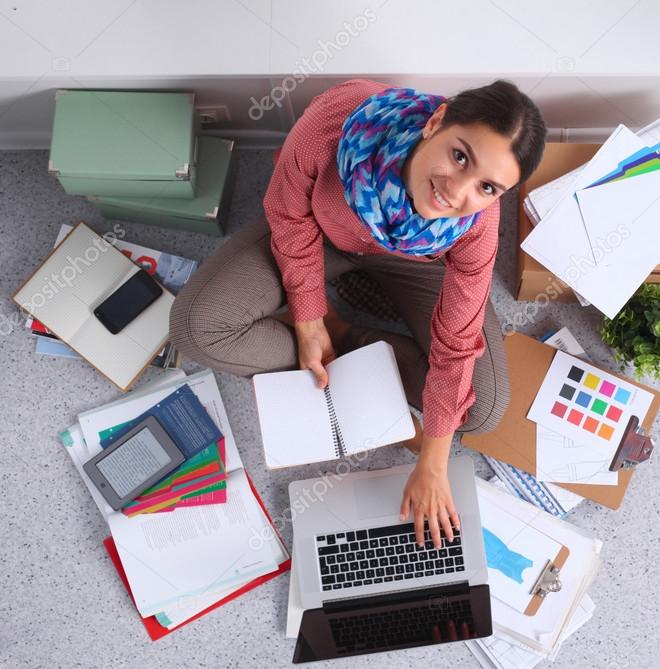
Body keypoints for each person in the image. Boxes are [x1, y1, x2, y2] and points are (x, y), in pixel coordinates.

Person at [169, 78, 547, 549]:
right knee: (196, 327)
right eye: (460, 156)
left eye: (487, 187)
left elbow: (457, 337)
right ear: (435, 122)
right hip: (321, 231)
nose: (457, 191)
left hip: (416, 265)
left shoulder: (473, 226)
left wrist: (431, 464)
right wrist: (307, 316)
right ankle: (325, 332)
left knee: (481, 410)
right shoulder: (340, 114)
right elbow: (288, 211)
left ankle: (345, 337)